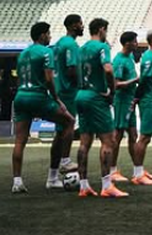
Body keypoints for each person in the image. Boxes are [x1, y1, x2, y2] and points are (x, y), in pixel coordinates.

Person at [11, 22, 76, 193]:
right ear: (41, 36)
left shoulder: (23, 53)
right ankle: (65, 160)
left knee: (20, 140)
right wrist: (56, 99)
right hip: (38, 97)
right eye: (48, 34)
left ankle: (17, 181)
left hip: (20, 96)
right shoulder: (46, 52)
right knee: (69, 121)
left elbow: (19, 78)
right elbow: (49, 79)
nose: (50, 37)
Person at [76, 18, 128, 198]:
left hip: (81, 95)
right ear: (101, 30)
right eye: (106, 30)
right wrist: (111, 91)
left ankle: (83, 185)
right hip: (96, 96)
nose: (106, 33)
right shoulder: (102, 47)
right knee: (109, 141)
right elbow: (107, 69)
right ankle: (107, 185)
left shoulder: (81, 49)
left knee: (84, 142)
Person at [130, 30, 152, 186]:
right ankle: (138, 174)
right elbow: (144, 79)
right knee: (144, 137)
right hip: (149, 100)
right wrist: (137, 96)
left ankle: (139, 171)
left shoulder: (151, 56)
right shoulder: (150, 56)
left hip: (150, 99)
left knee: (146, 137)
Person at [53, 14, 83, 174]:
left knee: (60, 132)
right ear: (72, 26)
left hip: (58, 90)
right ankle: (65, 160)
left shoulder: (58, 44)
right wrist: (81, 84)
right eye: (80, 24)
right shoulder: (71, 44)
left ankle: (53, 175)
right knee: (69, 124)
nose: (82, 26)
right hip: (68, 91)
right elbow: (72, 69)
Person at [111, 31, 140, 183]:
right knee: (118, 135)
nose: (137, 44)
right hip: (122, 101)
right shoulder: (119, 60)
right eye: (135, 41)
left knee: (133, 135)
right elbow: (116, 84)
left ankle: (138, 172)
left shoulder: (129, 57)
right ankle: (112, 170)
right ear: (127, 43)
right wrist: (136, 80)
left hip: (130, 101)